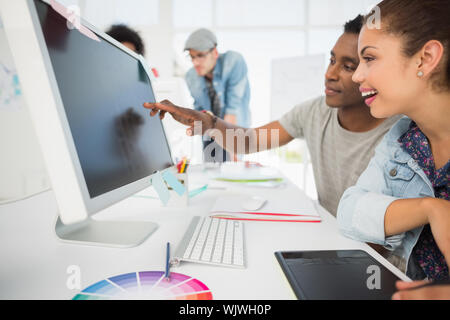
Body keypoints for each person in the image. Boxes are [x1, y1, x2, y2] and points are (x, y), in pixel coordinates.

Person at [144, 15, 401, 217]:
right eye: (331, 60)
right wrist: (208, 122)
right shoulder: (314, 111)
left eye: (348, 66)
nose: (330, 74)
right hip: (330, 238)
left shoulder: (400, 133)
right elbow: (250, 141)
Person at [337, 0, 450, 289]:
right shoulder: (402, 137)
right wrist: (430, 208)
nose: (358, 75)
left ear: (425, 59)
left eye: (370, 58)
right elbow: (349, 211)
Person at [183, 28, 251, 163]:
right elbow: (199, 110)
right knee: (211, 175)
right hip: (211, 135)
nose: (195, 62)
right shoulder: (191, 76)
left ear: (214, 52)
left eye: (200, 55)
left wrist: (233, 151)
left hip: (234, 129)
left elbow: (232, 109)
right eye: (192, 57)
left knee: (232, 173)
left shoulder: (233, 61)